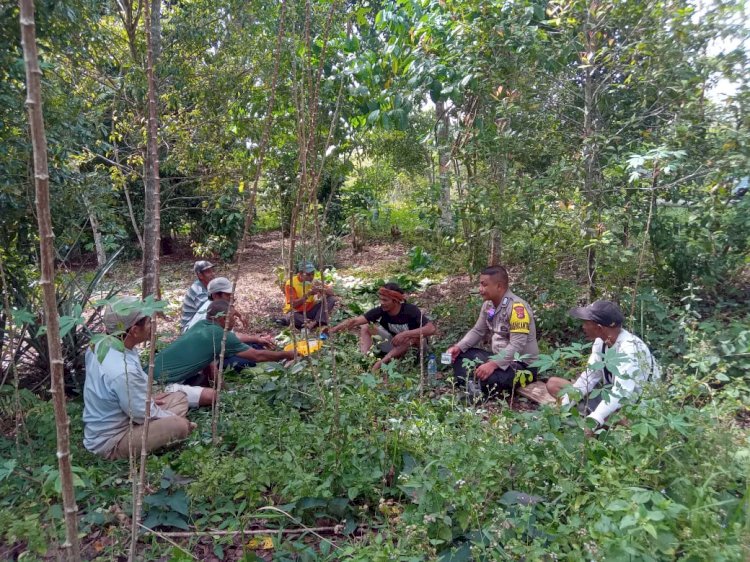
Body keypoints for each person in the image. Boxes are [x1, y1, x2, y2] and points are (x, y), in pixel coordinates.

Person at [82, 296, 195, 460]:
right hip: (114, 439)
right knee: (179, 426)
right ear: (134, 330)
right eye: (149, 322)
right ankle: (173, 427)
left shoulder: (99, 344)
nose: (152, 326)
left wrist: (148, 400)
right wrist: (171, 418)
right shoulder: (122, 371)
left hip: (128, 414)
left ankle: (165, 424)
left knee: (179, 398)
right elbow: (142, 413)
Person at [546, 300, 661, 429]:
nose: (583, 326)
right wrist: (564, 407)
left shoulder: (629, 349)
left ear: (599, 328)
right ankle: (591, 417)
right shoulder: (601, 342)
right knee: (554, 384)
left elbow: (621, 393)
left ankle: (598, 422)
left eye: (586, 323)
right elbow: (588, 378)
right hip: (608, 392)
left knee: (620, 418)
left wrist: (595, 419)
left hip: (634, 403)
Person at [154, 300, 294, 395]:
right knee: (213, 397)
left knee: (209, 386)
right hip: (162, 384)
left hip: (150, 373)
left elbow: (209, 367)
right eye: (233, 317)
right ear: (222, 319)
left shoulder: (201, 325)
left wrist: (224, 389)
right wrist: (287, 354)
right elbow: (257, 356)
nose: (235, 320)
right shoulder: (220, 335)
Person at [446, 265, 539, 397]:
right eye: (480, 285)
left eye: (484, 285)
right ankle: (471, 386)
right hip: (497, 357)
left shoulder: (517, 308)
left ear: (499, 286)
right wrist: (459, 347)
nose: (480, 289)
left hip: (521, 365)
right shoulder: (489, 306)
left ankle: (476, 388)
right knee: (460, 356)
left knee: (491, 379)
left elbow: (517, 345)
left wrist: (493, 364)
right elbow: (478, 330)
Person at [329, 283, 436, 372]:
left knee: (412, 338)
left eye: (385, 300)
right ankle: (364, 359)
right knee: (366, 327)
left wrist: (405, 334)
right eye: (381, 299)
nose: (382, 303)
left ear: (395, 300)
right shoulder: (381, 311)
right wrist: (332, 330)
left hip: (416, 349)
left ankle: (380, 364)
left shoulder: (410, 310)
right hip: (396, 347)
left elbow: (431, 329)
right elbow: (355, 321)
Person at [282, 261, 337, 329]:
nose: (311, 277)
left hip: (311, 310)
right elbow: (293, 304)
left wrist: (321, 289)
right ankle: (310, 322)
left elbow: (332, 293)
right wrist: (308, 294)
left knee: (331, 299)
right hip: (297, 312)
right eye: (308, 275)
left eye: (312, 274)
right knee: (290, 316)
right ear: (300, 274)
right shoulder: (291, 284)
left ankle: (316, 321)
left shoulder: (314, 281)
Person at [183, 276, 247, 333]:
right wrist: (254, 338)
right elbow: (229, 338)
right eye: (228, 295)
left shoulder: (218, 305)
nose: (232, 298)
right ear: (215, 295)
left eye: (232, 295)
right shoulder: (211, 314)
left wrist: (239, 316)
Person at [180, 260, 216, 331]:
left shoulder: (209, 287)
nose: (212, 274)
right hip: (189, 328)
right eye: (208, 272)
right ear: (200, 275)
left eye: (212, 271)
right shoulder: (197, 289)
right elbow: (210, 310)